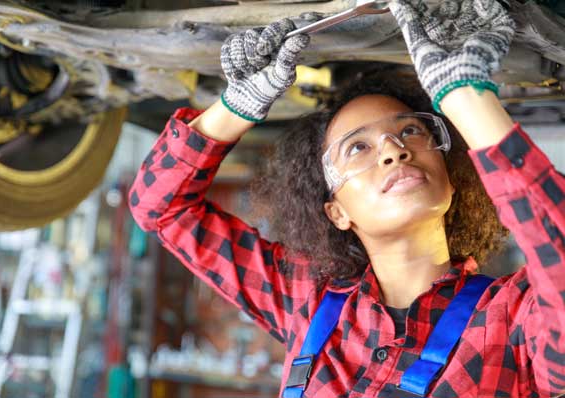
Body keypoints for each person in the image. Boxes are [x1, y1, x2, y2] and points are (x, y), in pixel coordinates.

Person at [129, 0, 565, 396]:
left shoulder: (513, 320)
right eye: (358, 147)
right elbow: (160, 208)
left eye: (411, 130)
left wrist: (466, 97)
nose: (395, 150)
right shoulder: (308, 300)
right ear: (337, 212)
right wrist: (234, 106)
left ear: (451, 179)